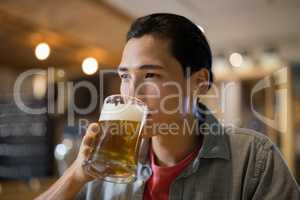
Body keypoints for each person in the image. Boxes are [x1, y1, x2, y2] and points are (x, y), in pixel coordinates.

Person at [36, 13, 300, 200]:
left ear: (198, 83)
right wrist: (75, 176)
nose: (132, 93)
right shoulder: (103, 167)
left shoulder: (254, 158)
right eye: (126, 76)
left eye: (151, 75)